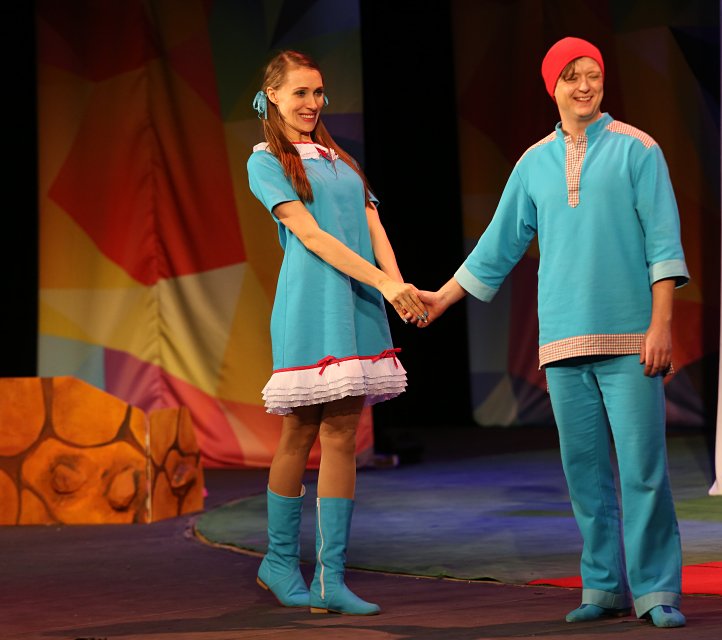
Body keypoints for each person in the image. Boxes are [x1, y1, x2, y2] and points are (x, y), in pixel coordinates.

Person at [418, 37, 688, 628]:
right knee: (584, 474)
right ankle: (604, 587)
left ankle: (656, 591)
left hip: (631, 340)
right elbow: (497, 246)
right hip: (563, 342)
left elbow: (664, 245)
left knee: (643, 471)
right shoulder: (533, 162)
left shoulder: (638, 149)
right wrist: (442, 297)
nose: (584, 86)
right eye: (571, 77)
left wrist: (660, 326)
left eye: (592, 74)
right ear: (553, 87)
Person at [246, 49, 428, 615]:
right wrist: (384, 283)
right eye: (300, 92)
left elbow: (374, 224)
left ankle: (331, 578)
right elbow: (312, 237)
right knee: (299, 432)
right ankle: (279, 562)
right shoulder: (266, 161)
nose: (312, 102)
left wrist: (399, 287)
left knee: (343, 434)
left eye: (318, 92)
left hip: (359, 301)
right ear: (274, 95)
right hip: (312, 303)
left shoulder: (340, 160)